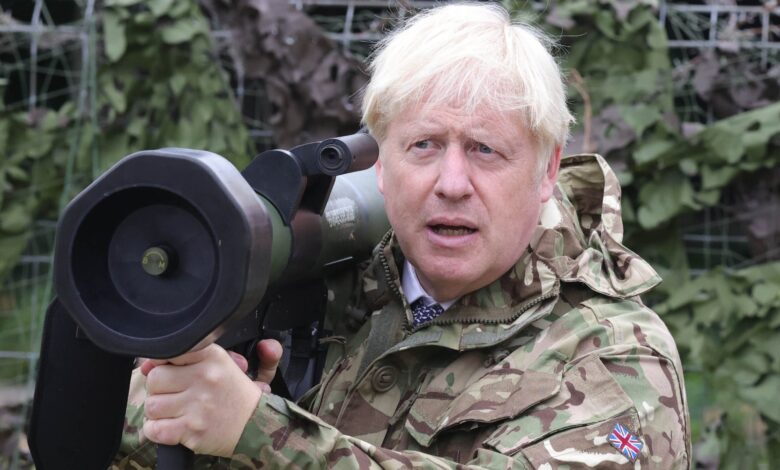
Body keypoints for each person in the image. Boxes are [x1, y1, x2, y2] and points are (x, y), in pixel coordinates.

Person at [113, 3, 690, 468]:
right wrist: (172, 408)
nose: (452, 184)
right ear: (380, 165)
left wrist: (260, 433)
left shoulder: (614, 358)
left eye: (485, 150)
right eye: (424, 145)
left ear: (547, 169)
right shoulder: (334, 280)